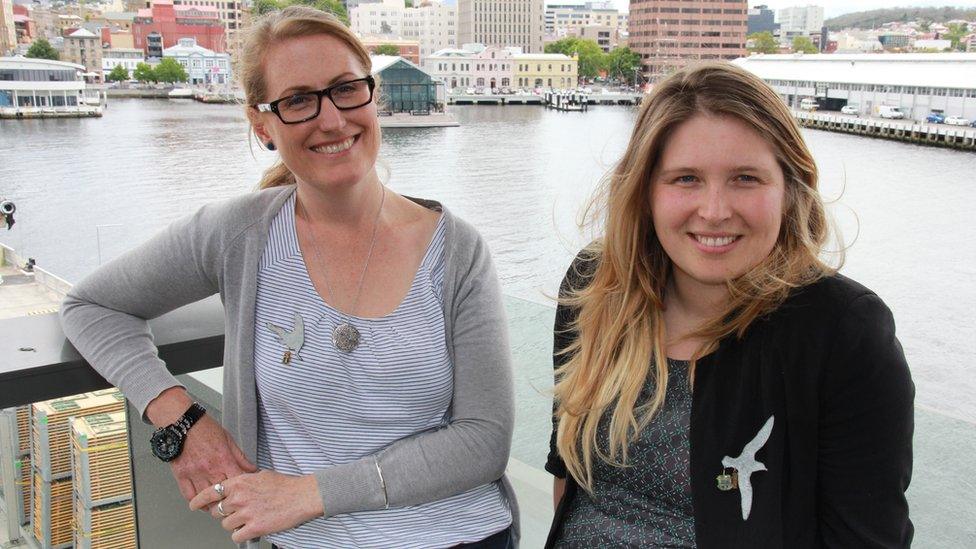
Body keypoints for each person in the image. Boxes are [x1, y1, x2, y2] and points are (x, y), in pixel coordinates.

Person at [60, 7, 517, 548]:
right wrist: (181, 420)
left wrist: (311, 493)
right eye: (298, 100)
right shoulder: (239, 235)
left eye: (346, 88)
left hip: (461, 536)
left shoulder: (456, 251)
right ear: (264, 127)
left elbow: (484, 440)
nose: (331, 119)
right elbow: (91, 307)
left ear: (374, 96)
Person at [544, 62, 914, 548]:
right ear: (645, 190)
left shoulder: (843, 333)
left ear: (788, 190)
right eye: (686, 179)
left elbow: (865, 539)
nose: (715, 210)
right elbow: (568, 473)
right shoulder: (597, 286)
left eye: (745, 177)